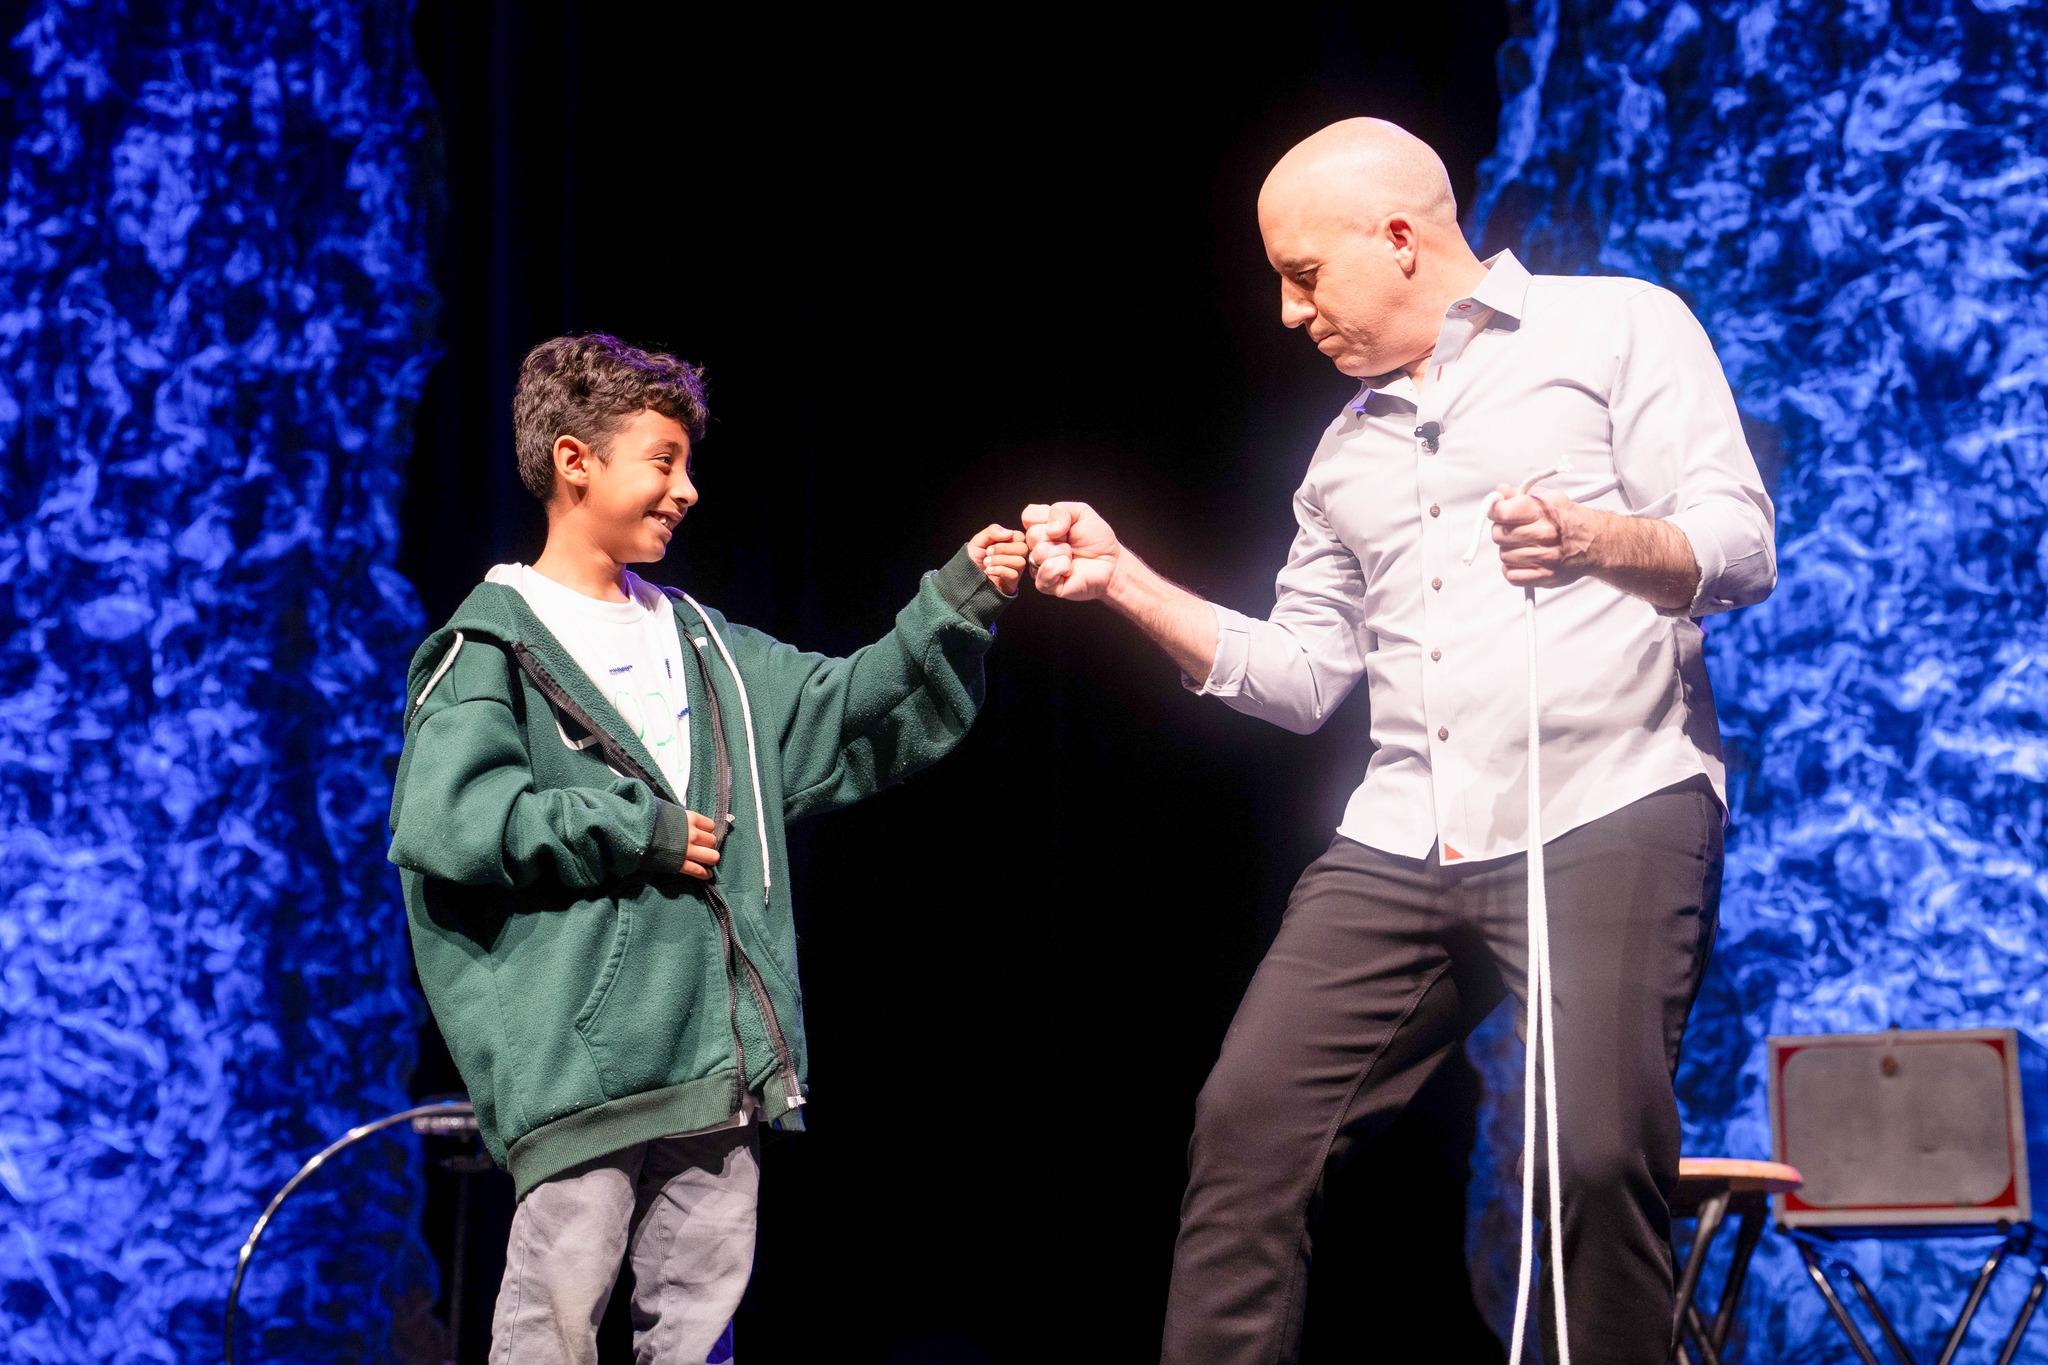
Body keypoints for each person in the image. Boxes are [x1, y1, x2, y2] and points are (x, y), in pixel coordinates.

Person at [1023, 118, 1774, 1364]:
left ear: (1399, 240)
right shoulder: (1341, 457)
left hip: (1607, 799)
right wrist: (1124, 583)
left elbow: (1738, 546)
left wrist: (1593, 540)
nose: (1284, 312)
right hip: (1401, 836)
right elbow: (1306, 677)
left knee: (1593, 1158)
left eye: (1302, 277)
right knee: (1249, 1130)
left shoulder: (1617, 328)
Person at [388, 333, 1025, 1365]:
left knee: (697, 1332)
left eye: (689, 463)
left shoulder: (701, 639)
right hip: (582, 1066)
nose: (686, 489)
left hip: (711, 1054)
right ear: (573, 460)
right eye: (663, 459)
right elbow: (450, 821)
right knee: (553, 1322)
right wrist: (628, 827)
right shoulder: (491, 645)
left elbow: (838, 707)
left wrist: (953, 599)